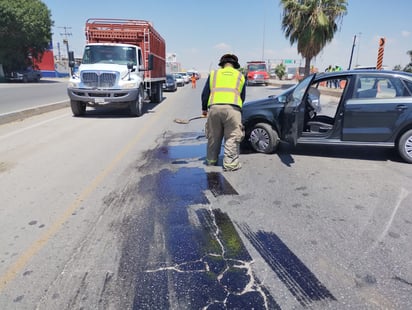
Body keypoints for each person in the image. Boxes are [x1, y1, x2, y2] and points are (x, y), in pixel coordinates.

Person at [201, 54, 246, 171]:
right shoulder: (240, 76)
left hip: (214, 109)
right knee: (232, 137)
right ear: (235, 65)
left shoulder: (214, 74)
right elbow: (242, 96)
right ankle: (230, 164)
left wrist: (204, 110)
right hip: (233, 110)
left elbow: (205, 94)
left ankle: (211, 161)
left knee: (213, 136)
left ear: (222, 64)